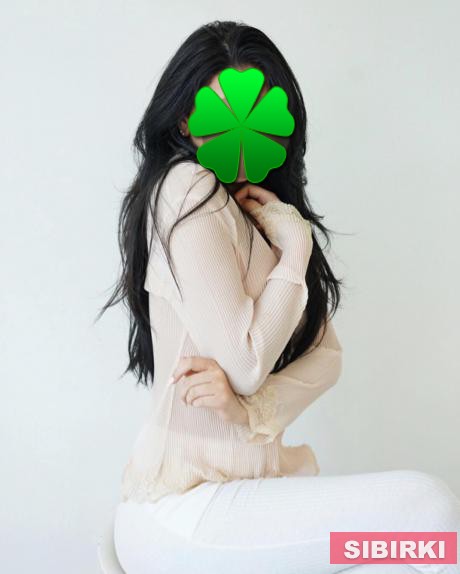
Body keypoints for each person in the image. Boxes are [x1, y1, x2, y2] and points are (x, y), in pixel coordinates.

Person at [98, 20, 460, 574]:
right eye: (222, 110)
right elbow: (245, 362)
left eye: (258, 111)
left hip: (246, 505)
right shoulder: (187, 189)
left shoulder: (258, 217)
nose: (240, 128)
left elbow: (326, 357)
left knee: (396, 558)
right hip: (186, 514)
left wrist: (250, 411)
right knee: (425, 510)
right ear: (185, 118)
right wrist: (295, 250)